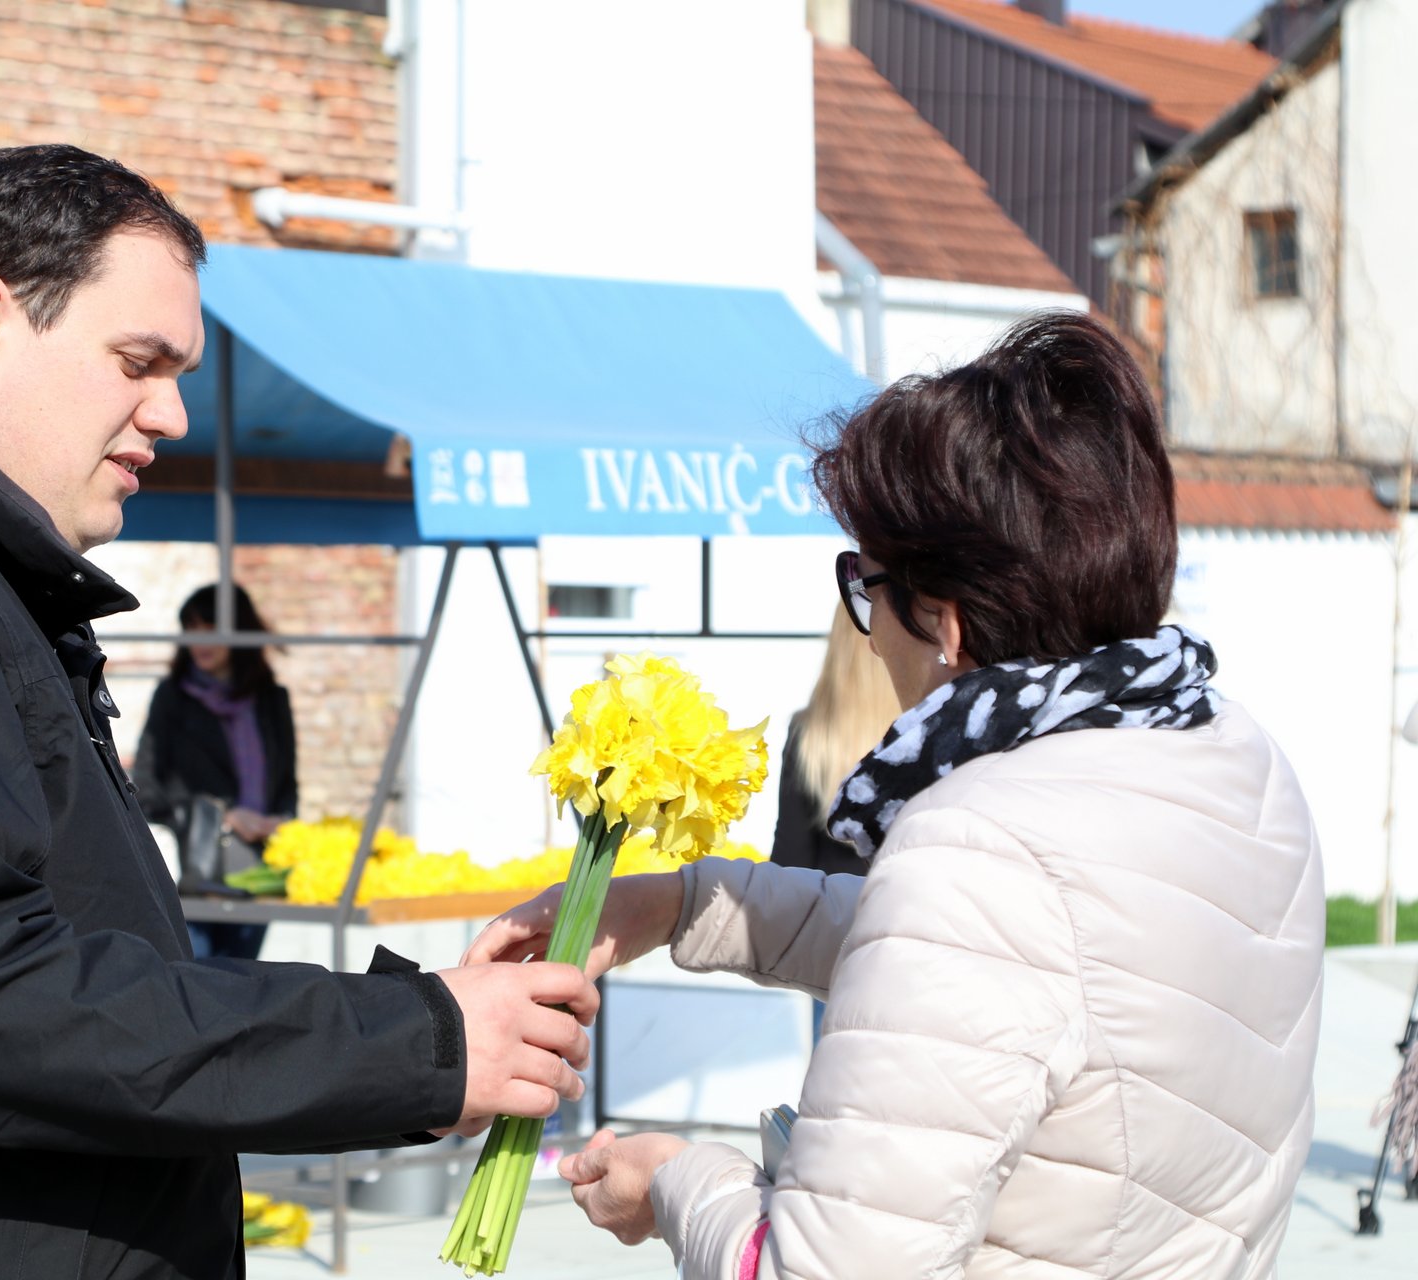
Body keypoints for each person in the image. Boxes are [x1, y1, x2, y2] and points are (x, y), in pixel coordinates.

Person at [0, 144, 597, 1280]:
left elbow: (55, 962)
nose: (170, 412)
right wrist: (413, 1044)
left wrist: (420, 1035)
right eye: (139, 361)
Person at [466, 314, 1323, 1278]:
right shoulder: (1233, 758)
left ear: (945, 624)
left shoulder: (983, 841)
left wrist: (673, 1181)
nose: (870, 634)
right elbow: (1017, 966)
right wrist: (676, 904)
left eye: (866, 585)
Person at [133, 582, 294, 959]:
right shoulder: (173, 698)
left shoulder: (271, 700)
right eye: (192, 629)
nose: (200, 641)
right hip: (198, 875)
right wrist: (225, 816)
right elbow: (145, 790)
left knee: (245, 982)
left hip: (260, 871)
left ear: (239, 632)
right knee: (198, 981)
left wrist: (281, 822)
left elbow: (287, 783)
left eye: (211, 628)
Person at [769, 607, 897, 879]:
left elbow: (789, 860)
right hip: (903, 899)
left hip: (828, 901)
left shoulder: (810, 732)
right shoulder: (926, 729)